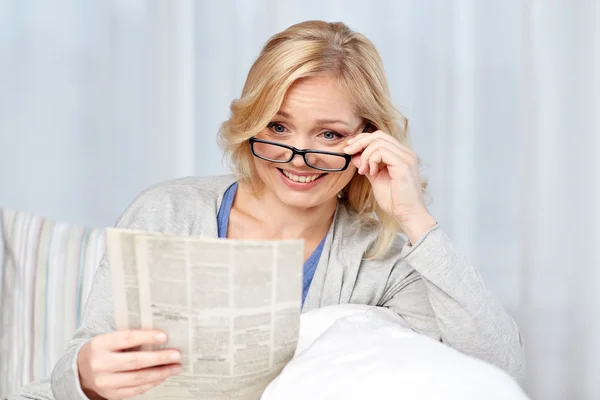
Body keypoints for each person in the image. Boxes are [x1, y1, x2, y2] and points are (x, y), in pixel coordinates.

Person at [8, 20, 525, 400]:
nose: (296, 158)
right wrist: (88, 376)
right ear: (251, 123)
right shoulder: (167, 210)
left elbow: (498, 370)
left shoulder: (382, 257)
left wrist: (416, 218)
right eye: (277, 128)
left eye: (329, 135)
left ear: (368, 140)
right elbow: (71, 369)